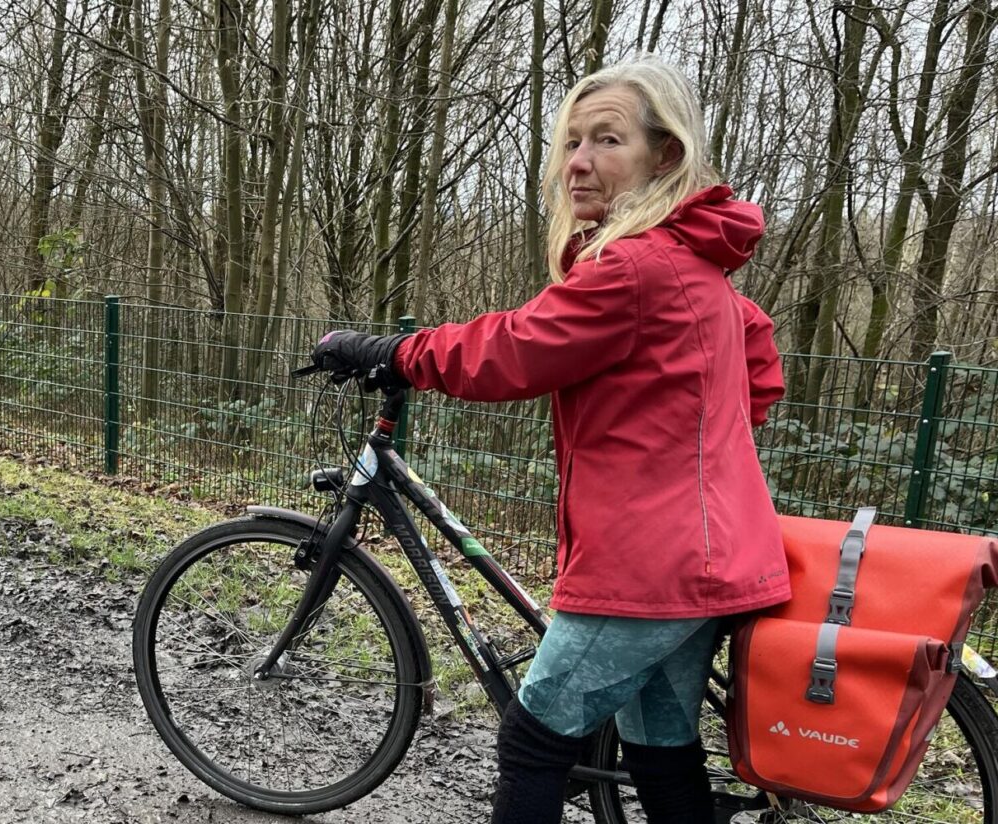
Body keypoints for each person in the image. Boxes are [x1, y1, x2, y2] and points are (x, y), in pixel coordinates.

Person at [312, 56, 788, 824]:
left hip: (649, 566)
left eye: (606, 140)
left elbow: (512, 351)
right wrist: (682, 447)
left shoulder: (633, 268)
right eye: (571, 142)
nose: (580, 162)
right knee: (662, 750)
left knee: (532, 744)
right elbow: (758, 372)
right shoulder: (701, 268)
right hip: (714, 556)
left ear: (664, 156)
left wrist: (389, 351)